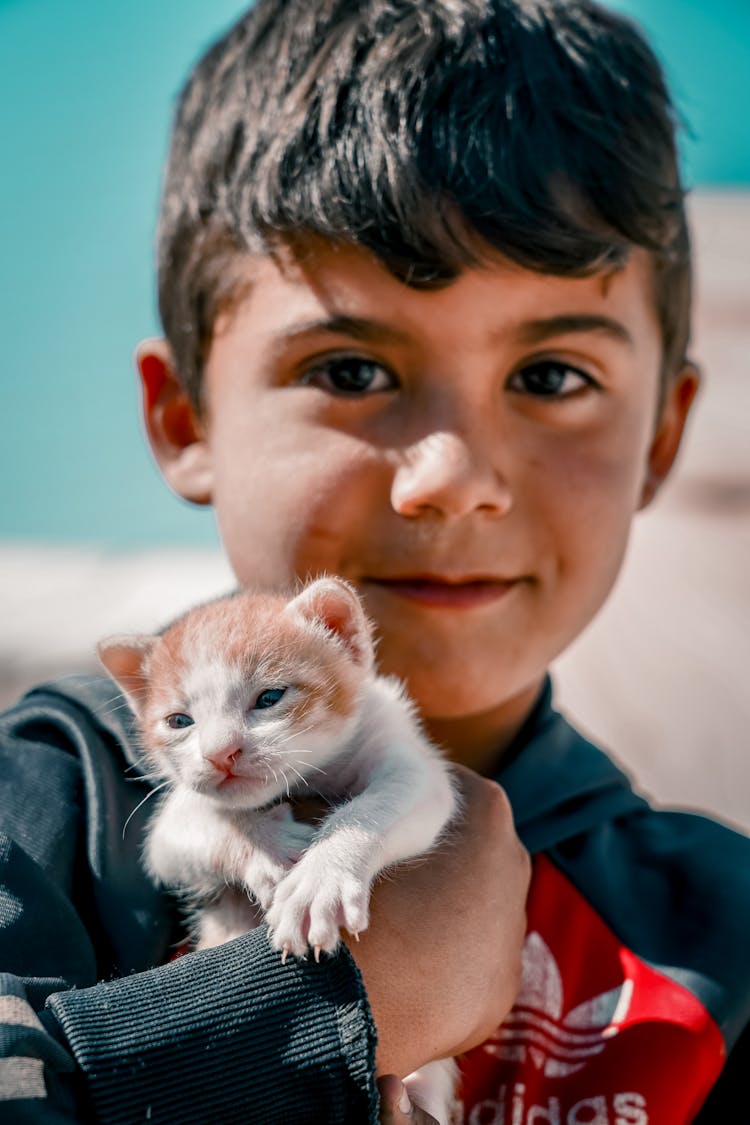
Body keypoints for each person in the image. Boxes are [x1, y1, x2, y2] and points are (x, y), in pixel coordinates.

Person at [2, 0, 748, 1121]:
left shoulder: (717, 933)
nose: (448, 476)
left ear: (664, 436)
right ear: (183, 419)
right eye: (351, 370)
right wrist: (314, 1014)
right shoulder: (44, 814)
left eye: (551, 377)